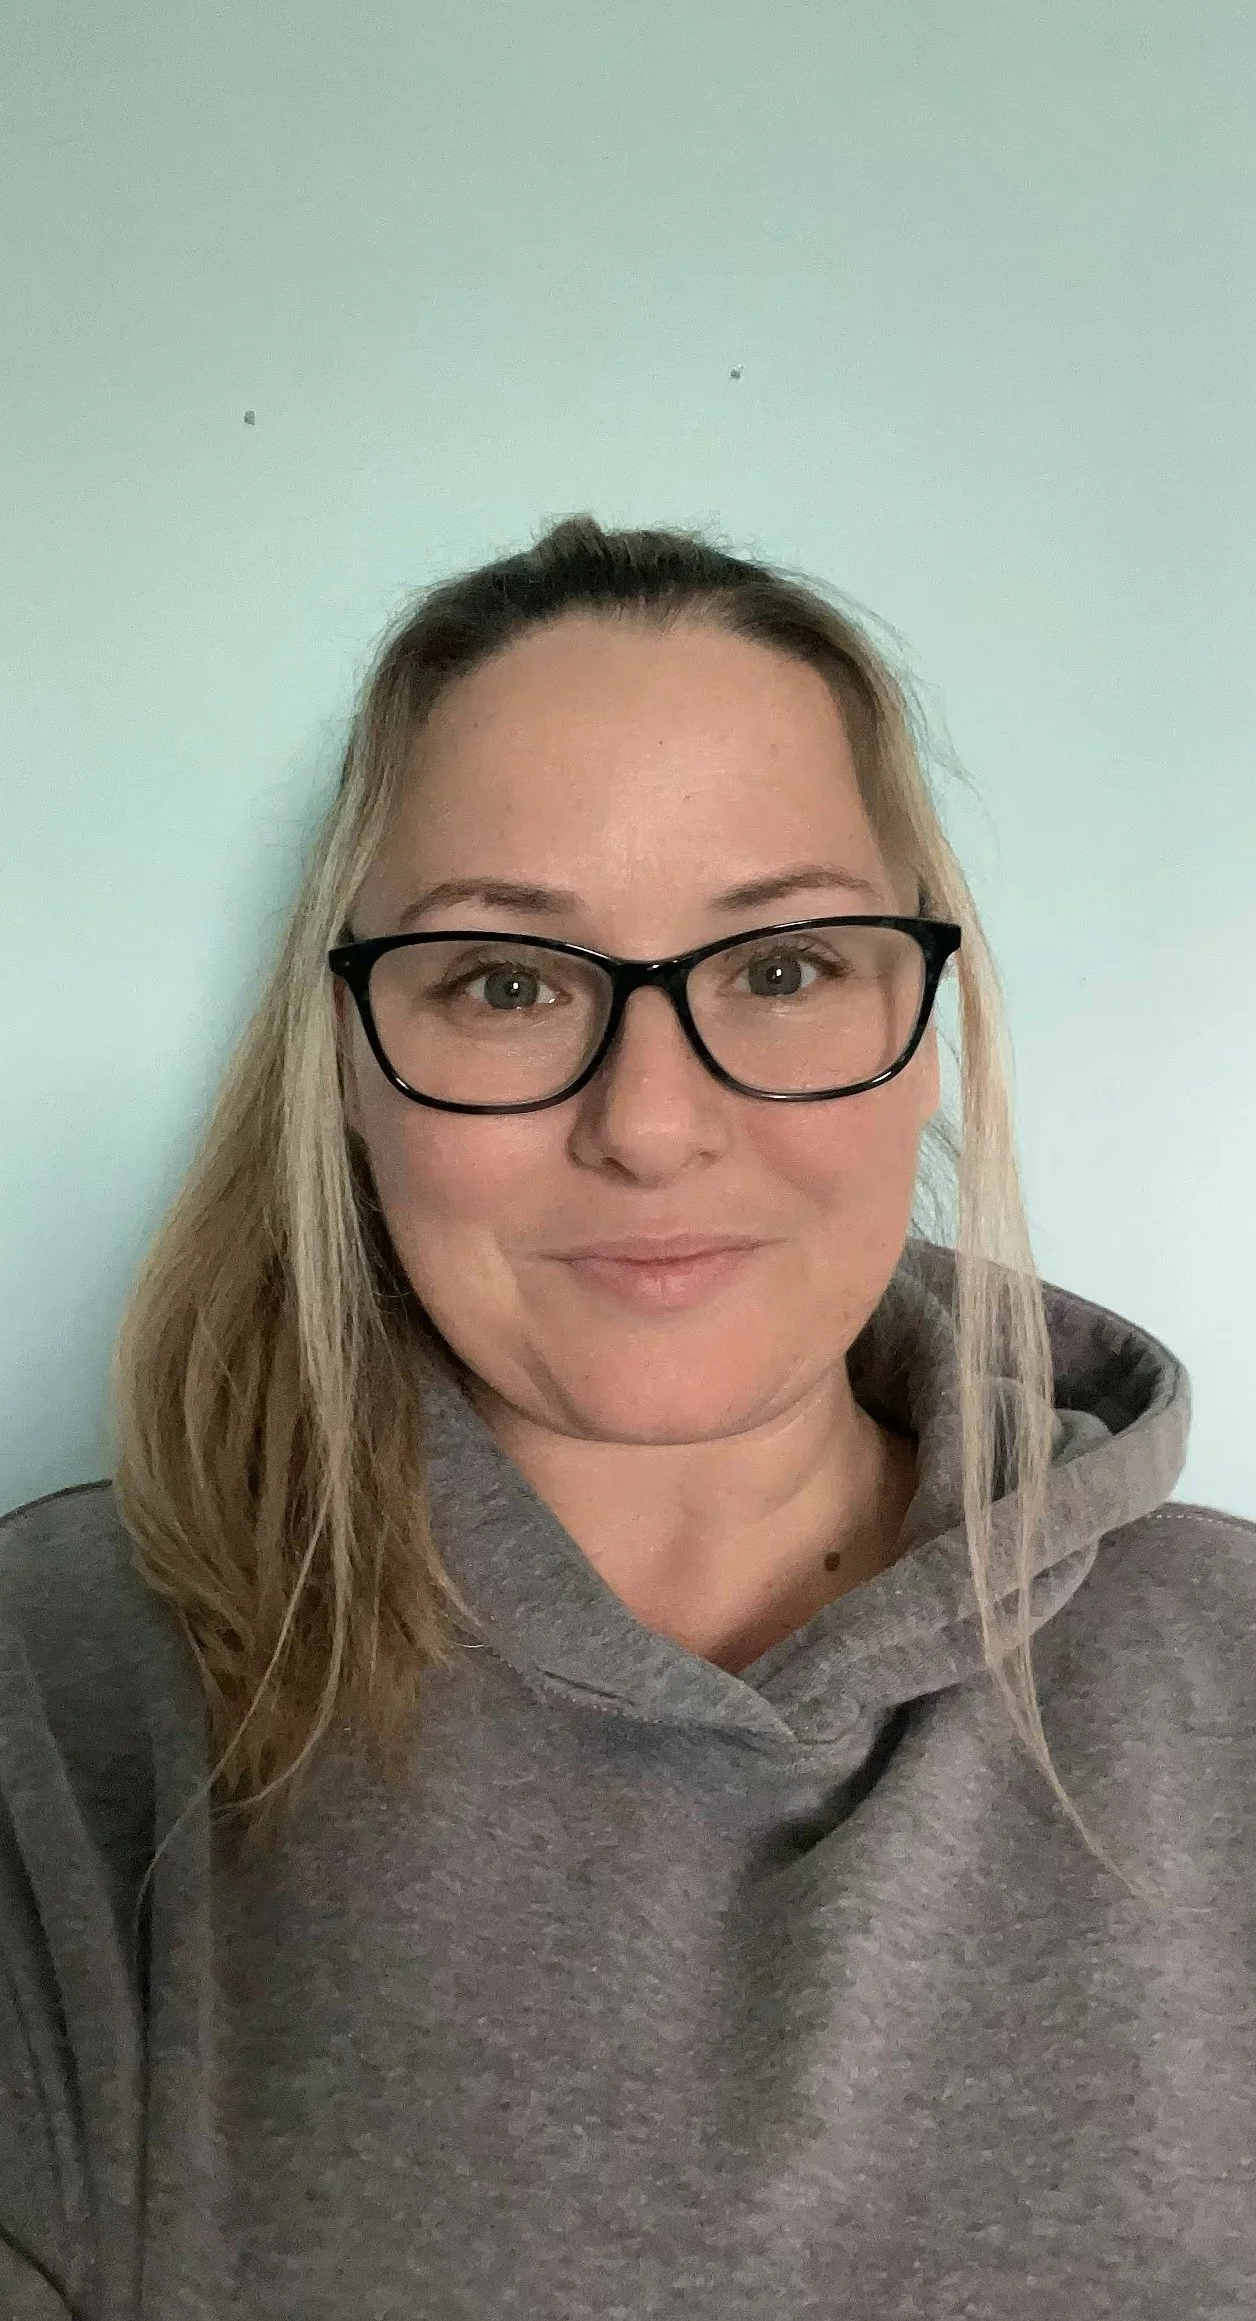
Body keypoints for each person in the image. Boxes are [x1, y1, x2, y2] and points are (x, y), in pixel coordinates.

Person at [0, 516, 1251, 2320]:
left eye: (783, 967)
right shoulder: (66, 1703)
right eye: (506, 985)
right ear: (347, 1069)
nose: (651, 1124)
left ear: (920, 1028)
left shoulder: (1234, 1686)